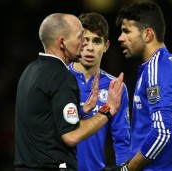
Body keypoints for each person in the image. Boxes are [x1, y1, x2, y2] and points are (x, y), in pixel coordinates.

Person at [14, 13, 124, 171]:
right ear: (62, 42)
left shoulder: (30, 71)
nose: (84, 43)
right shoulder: (62, 77)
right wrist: (107, 110)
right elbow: (71, 136)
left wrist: (81, 110)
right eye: (80, 37)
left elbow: (44, 120)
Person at [103, 2, 172, 171]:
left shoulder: (158, 68)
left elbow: (162, 133)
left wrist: (127, 169)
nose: (120, 38)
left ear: (148, 34)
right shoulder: (163, 65)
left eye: (127, 31)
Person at [67, 12, 131, 171]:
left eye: (97, 41)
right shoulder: (58, 80)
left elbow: (122, 140)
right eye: (85, 40)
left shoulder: (115, 88)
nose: (90, 48)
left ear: (106, 46)